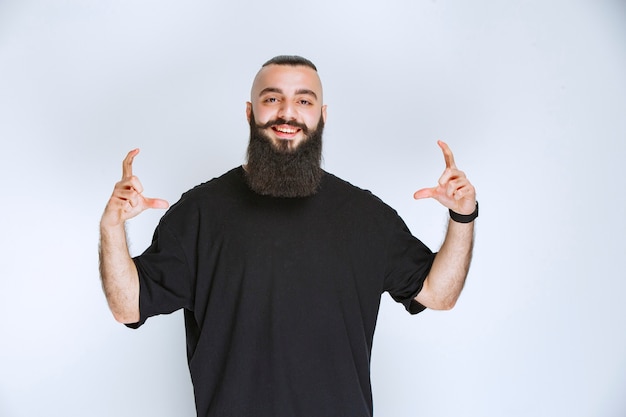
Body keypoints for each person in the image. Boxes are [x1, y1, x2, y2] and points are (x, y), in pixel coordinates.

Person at [99, 55, 477, 417]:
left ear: (322, 116)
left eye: (304, 100)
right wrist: (112, 227)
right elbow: (127, 305)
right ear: (250, 112)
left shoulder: (366, 217)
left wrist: (462, 215)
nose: (287, 112)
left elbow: (438, 294)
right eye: (272, 98)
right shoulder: (200, 213)